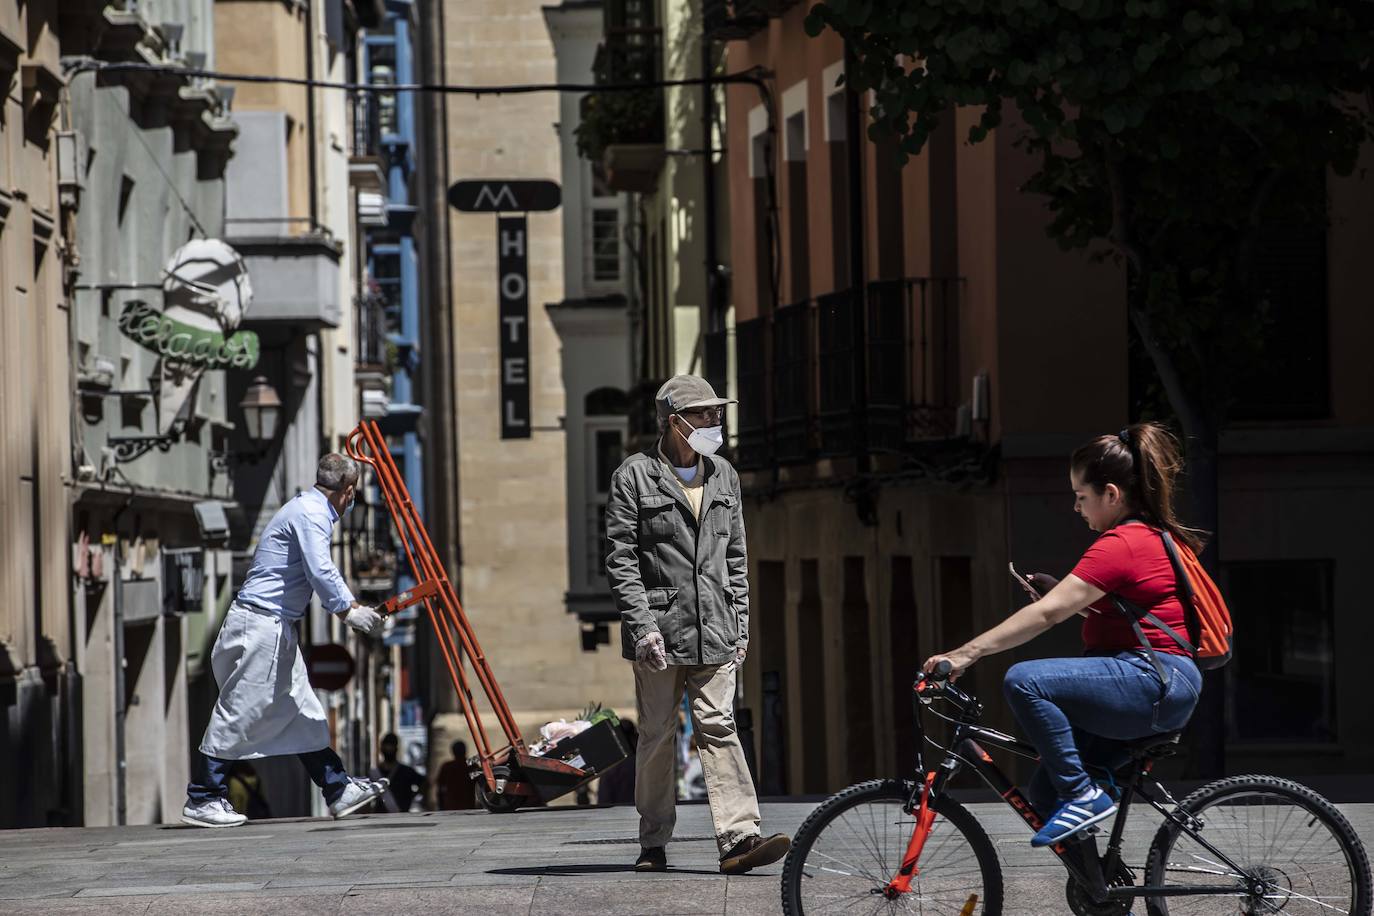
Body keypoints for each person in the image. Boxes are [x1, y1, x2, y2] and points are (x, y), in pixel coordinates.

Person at [923, 423, 1204, 848]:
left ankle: (1084, 795)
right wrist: (1060, 593)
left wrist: (967, 653)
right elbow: (1112, 614)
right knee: (1043, 792)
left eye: (1081, 497)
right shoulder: (1142, 538)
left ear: (1111, 494)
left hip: (1154, 680)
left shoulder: (1123, 543)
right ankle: (1103, 898)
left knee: (1026, 681)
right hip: (1157, 680)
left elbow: (1048, 614)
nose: (1076, 508)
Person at [605, 374, 791, 875]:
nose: (717, 421)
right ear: (676, 422)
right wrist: (642, 627)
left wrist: (741, 624)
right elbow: (621, 558)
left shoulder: (724, 475)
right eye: (707, 413)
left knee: (719, 725)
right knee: (657, 735)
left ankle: (739, 838)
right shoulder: (635, 476)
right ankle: (653, 842)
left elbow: (736, 554)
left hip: (716, 626)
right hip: (659, 634)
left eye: (717, 412)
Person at [182, 454, 390, 827]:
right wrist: (349, 611)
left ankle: (337, 788)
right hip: (261, 626)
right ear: (349, 491)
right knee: (239, 708)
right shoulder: (312, 514)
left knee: (303, 710)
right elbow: (320, 568)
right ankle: (203, 797)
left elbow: (318, 569)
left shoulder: (305, 508)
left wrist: (350, 606)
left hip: (272, 626)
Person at [370, 732, 426, 813]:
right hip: (380, 815)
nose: (388, 749)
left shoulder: (406, 771)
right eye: (387, 746)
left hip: (401, 814)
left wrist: (412, 797)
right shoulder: (374, 773)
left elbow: (424, 783)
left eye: (390, 746)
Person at [596, 719, 638, 805]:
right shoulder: (644, 762)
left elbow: (604, 799)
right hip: (640, 811)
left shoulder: (612, 764)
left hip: (617, 812)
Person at [435, 740, 475, 810]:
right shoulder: (471, 766)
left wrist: (440, 804)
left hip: (450, 806)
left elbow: (440, 787)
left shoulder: (447, 766)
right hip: (468, 805)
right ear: (465, 751)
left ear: (453, 752)